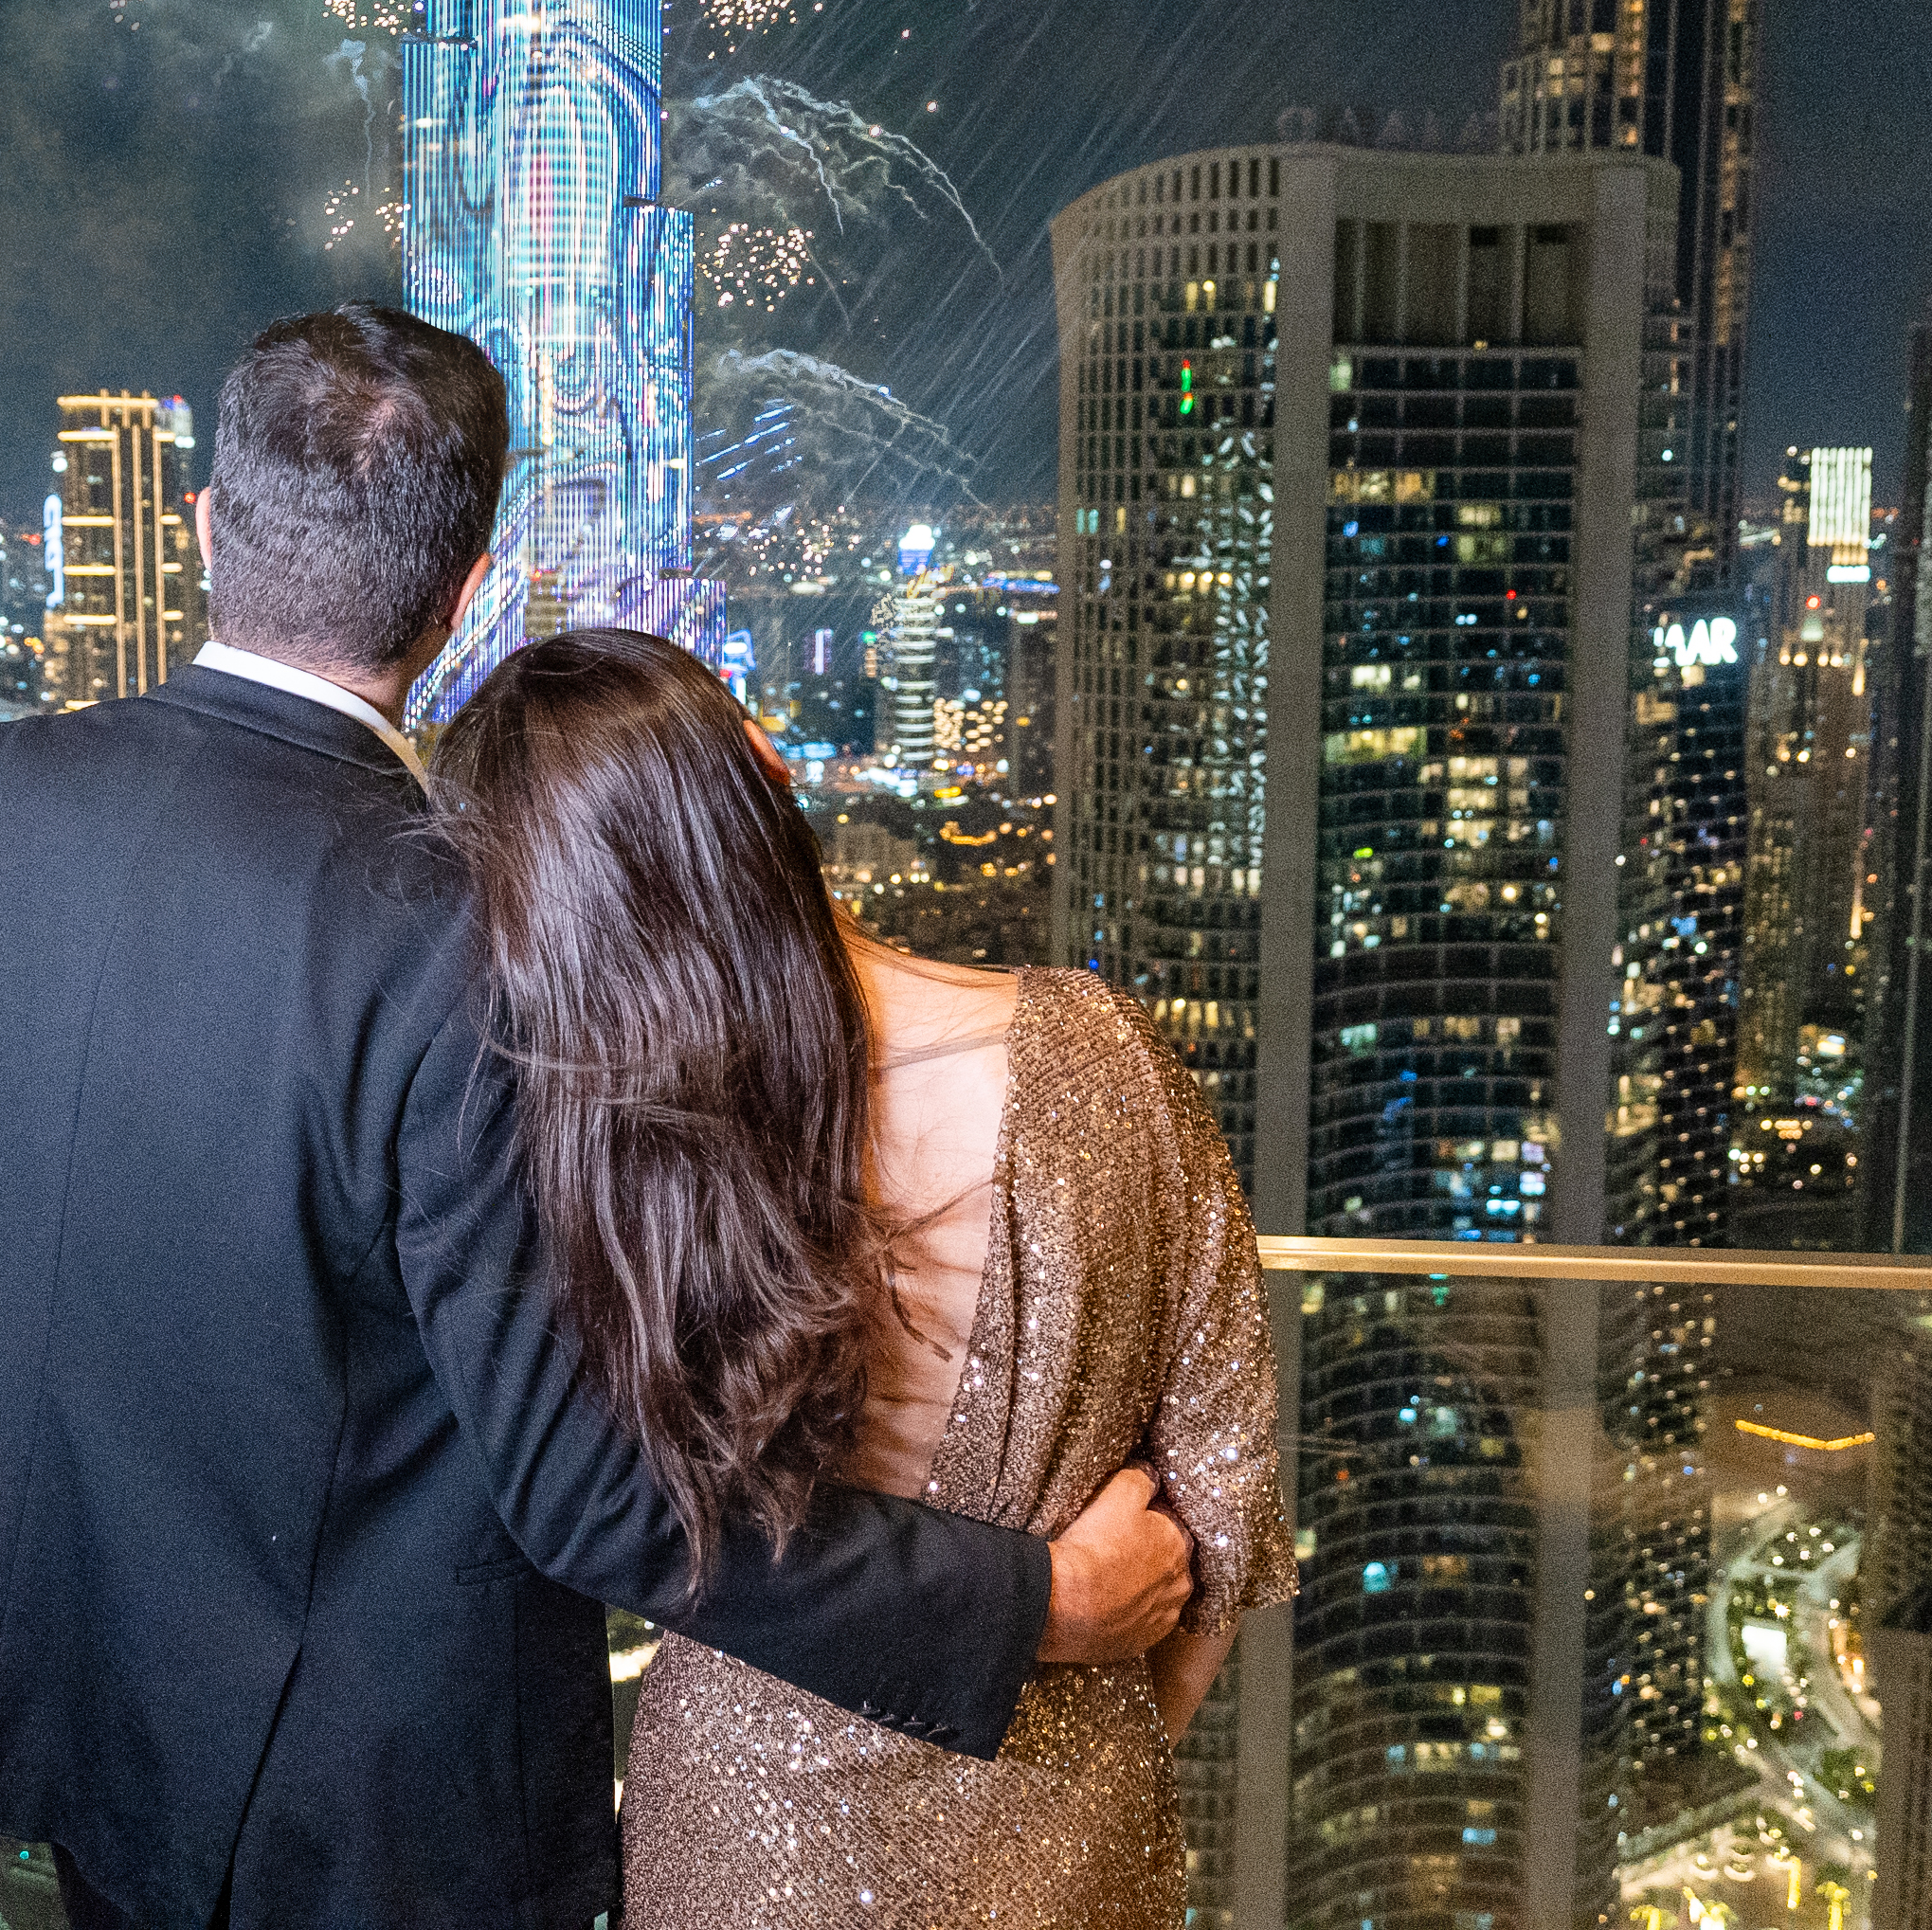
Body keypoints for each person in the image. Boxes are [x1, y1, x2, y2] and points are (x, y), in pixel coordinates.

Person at [0, 307, 1193, 1930]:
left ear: (208, 527)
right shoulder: (460, 920)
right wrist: (1036, 1603)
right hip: (347, 1813)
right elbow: (592, 1499)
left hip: (45, 1714)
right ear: (459, 595)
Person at [436, 624, 1295, 1930]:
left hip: (730, 1839)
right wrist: (1063, 1802)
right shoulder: (1107, 1067)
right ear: (772, 767)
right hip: (1061, 1828)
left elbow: (603, 1504)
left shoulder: (599, 1162)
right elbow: (1218, 1532)